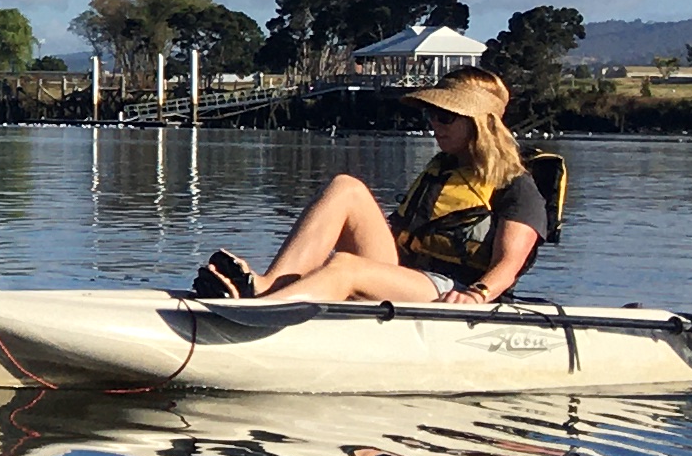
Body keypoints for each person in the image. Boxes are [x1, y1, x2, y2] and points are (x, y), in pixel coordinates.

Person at [197, 70, 551, 305]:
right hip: (407, 274)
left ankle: (266, 311)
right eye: (431, 114)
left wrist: (476, 295)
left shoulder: (517, 186)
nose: (434, 124)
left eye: (445, 116)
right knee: (346, 186)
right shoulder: (443, 170)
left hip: (453, 289)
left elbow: (509, 264)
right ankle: (268, 288)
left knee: (344, 266)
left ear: (480, 124)